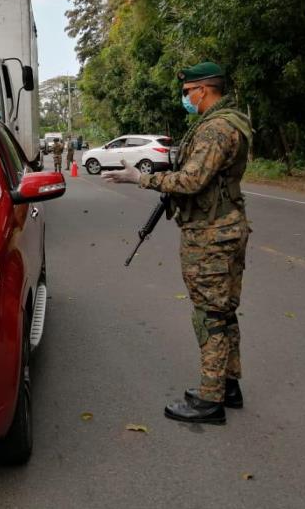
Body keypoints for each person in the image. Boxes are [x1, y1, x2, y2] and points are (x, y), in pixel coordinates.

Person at [101, 62, 252, 425]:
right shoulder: (231, 120)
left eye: (188, 92)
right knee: (224, 311)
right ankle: (229, 385)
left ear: (203, 89)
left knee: (210, 315)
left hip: (211, 236)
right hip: (225, 228)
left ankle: (210, 400)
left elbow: (191, 181)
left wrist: (143, 179)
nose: (186, 98)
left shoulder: (216, 128)